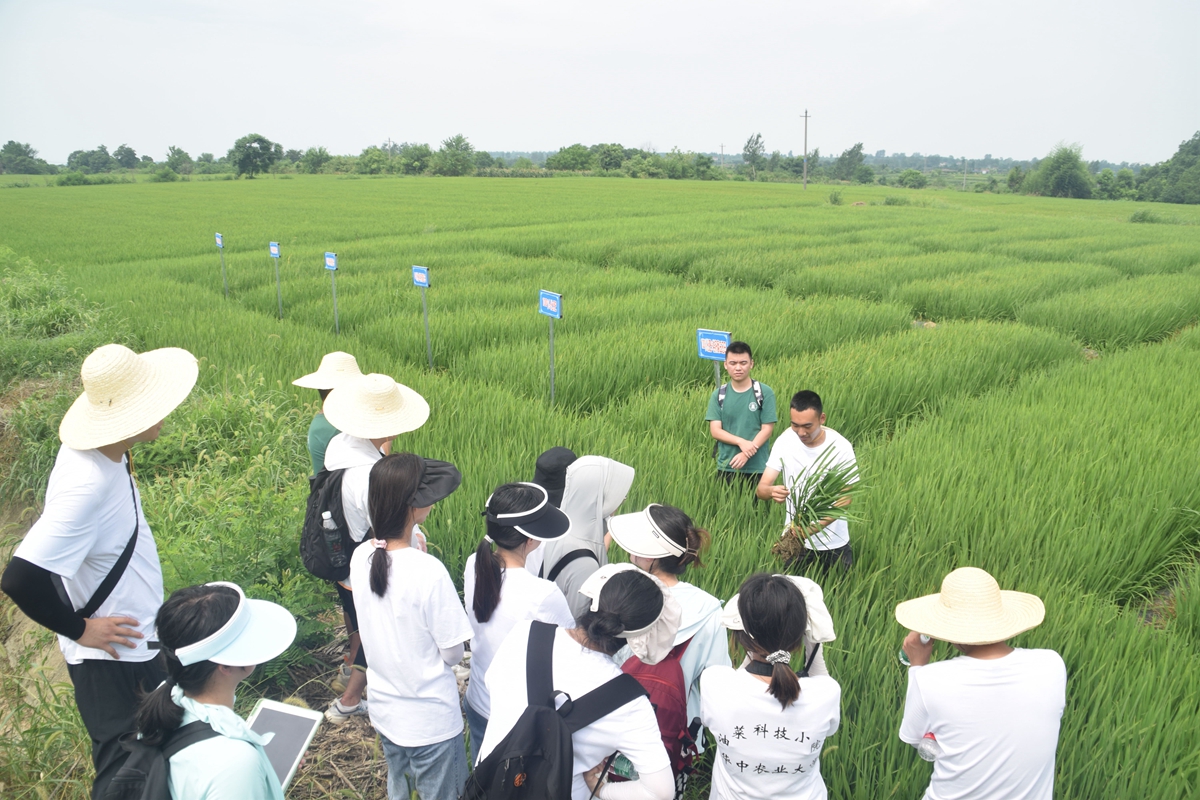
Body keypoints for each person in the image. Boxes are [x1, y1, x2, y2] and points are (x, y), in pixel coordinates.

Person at [0, 343, 198, 799]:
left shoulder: (106, 454)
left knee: (155, 760)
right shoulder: (88, 483)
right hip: (111, 660)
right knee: (125, 774)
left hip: (135, 643)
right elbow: (19, 578)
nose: (164, 408)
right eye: (153, 402)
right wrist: (80, 628)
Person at [478, 564, 680, 800]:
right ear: (638, 635)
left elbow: (493, 685)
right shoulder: (630, 703)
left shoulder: (525, 632)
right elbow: (661, 791)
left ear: (594, 598)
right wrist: (602, 789)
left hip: (490, 785)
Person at [350, 452, 473, 800]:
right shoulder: (427, 571)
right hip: (430, 721)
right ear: (413, 506)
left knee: (399, 789)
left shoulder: (362, 557)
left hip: (386, 711)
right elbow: (451, 653)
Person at [895, 567, 1067, 800]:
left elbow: (915, 739)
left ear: (949, 632)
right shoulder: (1051, 664)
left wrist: (917, 665)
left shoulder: (931, 679)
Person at [320, 372, 430, 723]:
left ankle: (346, 674)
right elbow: (389, 525)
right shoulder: (369, 473)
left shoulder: (341, 445)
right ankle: (350, 700)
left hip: (341, 551)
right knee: (374, 629)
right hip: (367, 559)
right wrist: (416, 544)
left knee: (357, 622)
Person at [133, 581, 298, 800]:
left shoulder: (169, 697)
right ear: (226, 665)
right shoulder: (236, 764)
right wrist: (249, 768)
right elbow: (225, 771)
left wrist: (260, 771)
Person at [700, 573, 841, 800]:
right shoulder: (825, 694)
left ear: (742, 633)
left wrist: (755, 643)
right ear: (799, 636)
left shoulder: (715, 683)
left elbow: (741, 681)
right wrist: (814, 644)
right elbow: (821, 683)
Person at [463, 482, 575, 760]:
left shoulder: (473, 565)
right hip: (515, 717)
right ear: (531, 540)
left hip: (478, 700)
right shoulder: (542, 594)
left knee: (481, 781)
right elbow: (574, 647)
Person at [607, 503, 730, 726]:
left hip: (611, 714)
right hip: (674, 725)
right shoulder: (708, 609)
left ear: (650, 554)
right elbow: (719, 683)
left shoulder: (617, 588)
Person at [756, 391, 858, 572]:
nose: (801, 432)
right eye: (795, 425)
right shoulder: (785, 441)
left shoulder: (840, 447)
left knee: (837, 592)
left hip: (833, 542)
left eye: (807, 426)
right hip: (795, 540)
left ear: (822, 418)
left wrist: (813, 528)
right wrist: (771, 491)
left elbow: (845, 498)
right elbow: (761, 489)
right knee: (791, 597)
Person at [539, 455, 636, 619]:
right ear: (602, 497)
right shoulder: (584, 563)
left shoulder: (562, 531)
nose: (621, 503)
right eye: (621, 497)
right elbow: (580, 626)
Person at [706, 341, 777, 490]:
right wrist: (741, 442)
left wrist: (746, 453)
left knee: (757, 512)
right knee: (727, 509)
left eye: (743, 363)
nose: (738, 367)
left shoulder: (764, 392)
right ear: (725, 365)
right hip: (727, 466)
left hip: (758, 467)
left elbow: (767, 429)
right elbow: (715, 431)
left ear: (751, 364)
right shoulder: (719, 395)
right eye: (733, 363)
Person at [292, 351, 363, 475]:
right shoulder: (338, 428)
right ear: (342, 392)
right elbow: (374, 470)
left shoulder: (321, 421)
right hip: (337, 493)